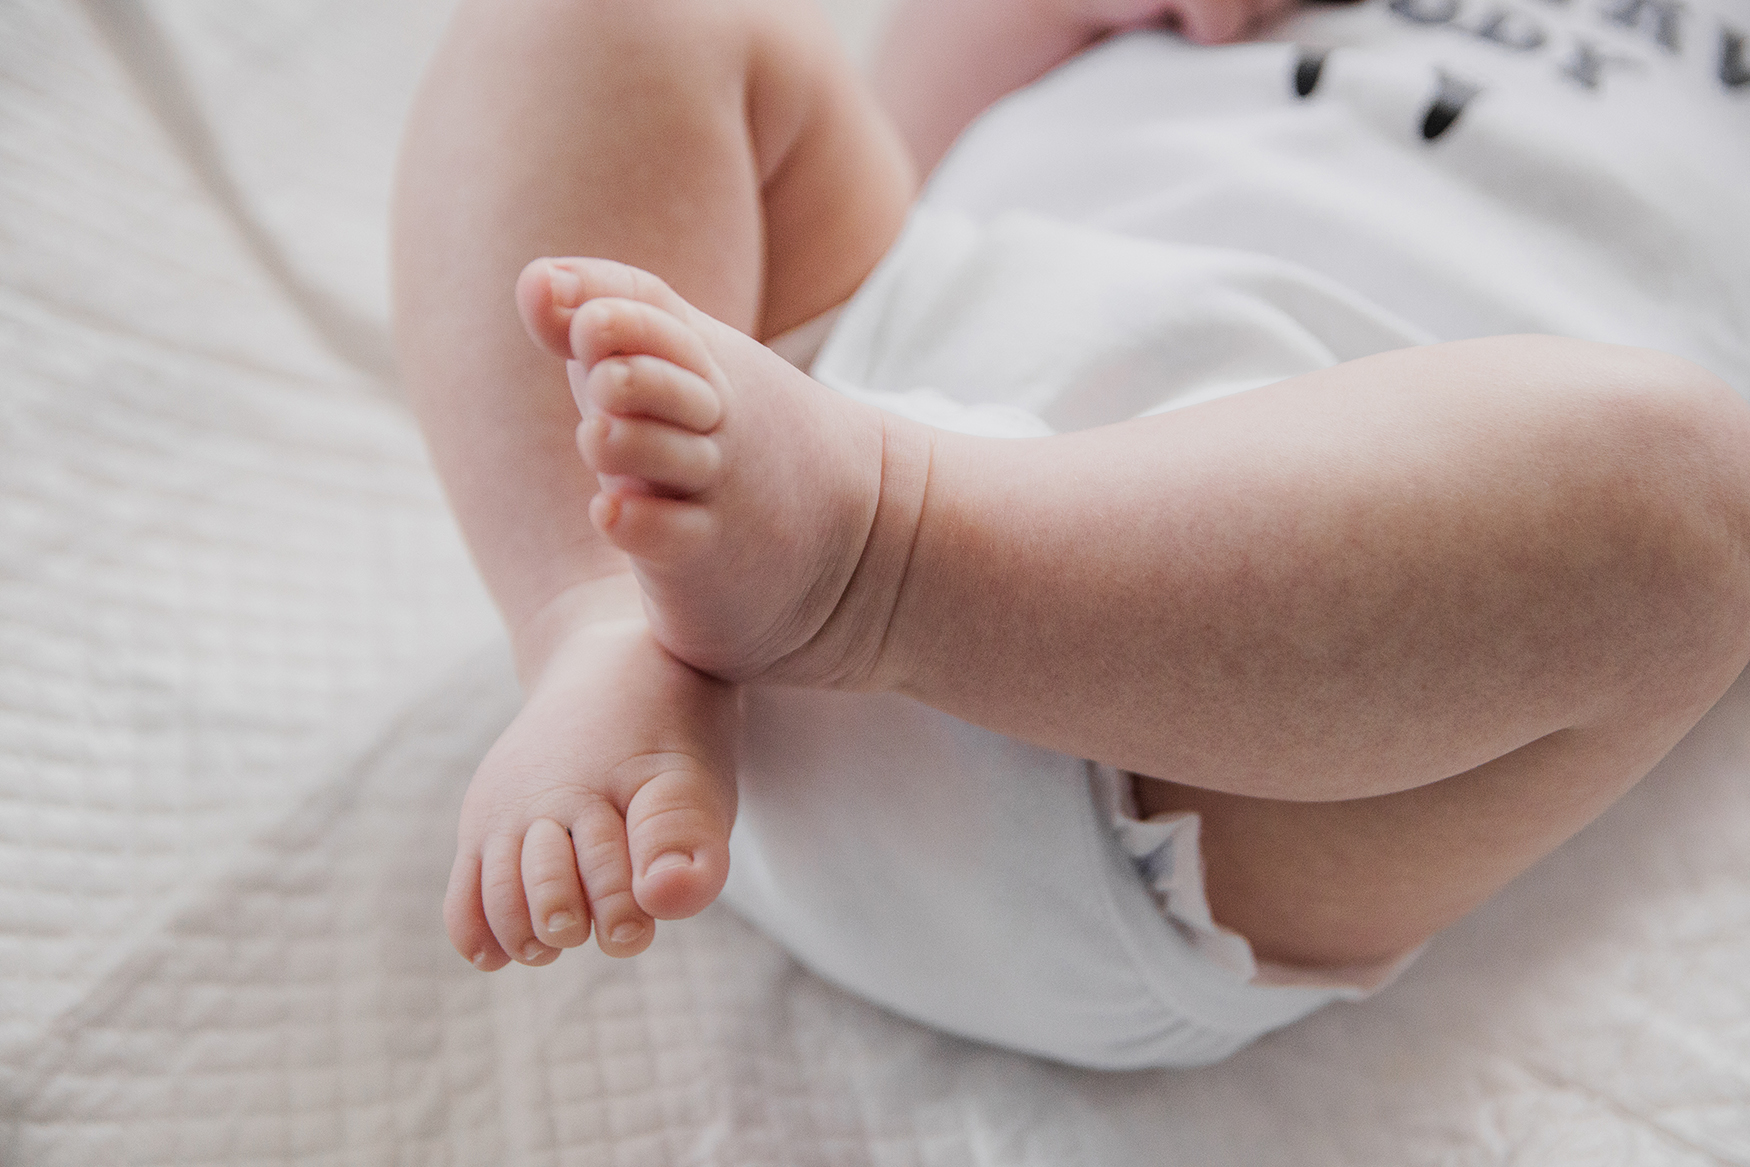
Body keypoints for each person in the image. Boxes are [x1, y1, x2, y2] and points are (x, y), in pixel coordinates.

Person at [391, 0, 1750, 1065]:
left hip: (1236, 694)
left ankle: (880, 558)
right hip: (834, 396)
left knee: (1678, 497)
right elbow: (902, 118)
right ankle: (596, 618)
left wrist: (868, 532)